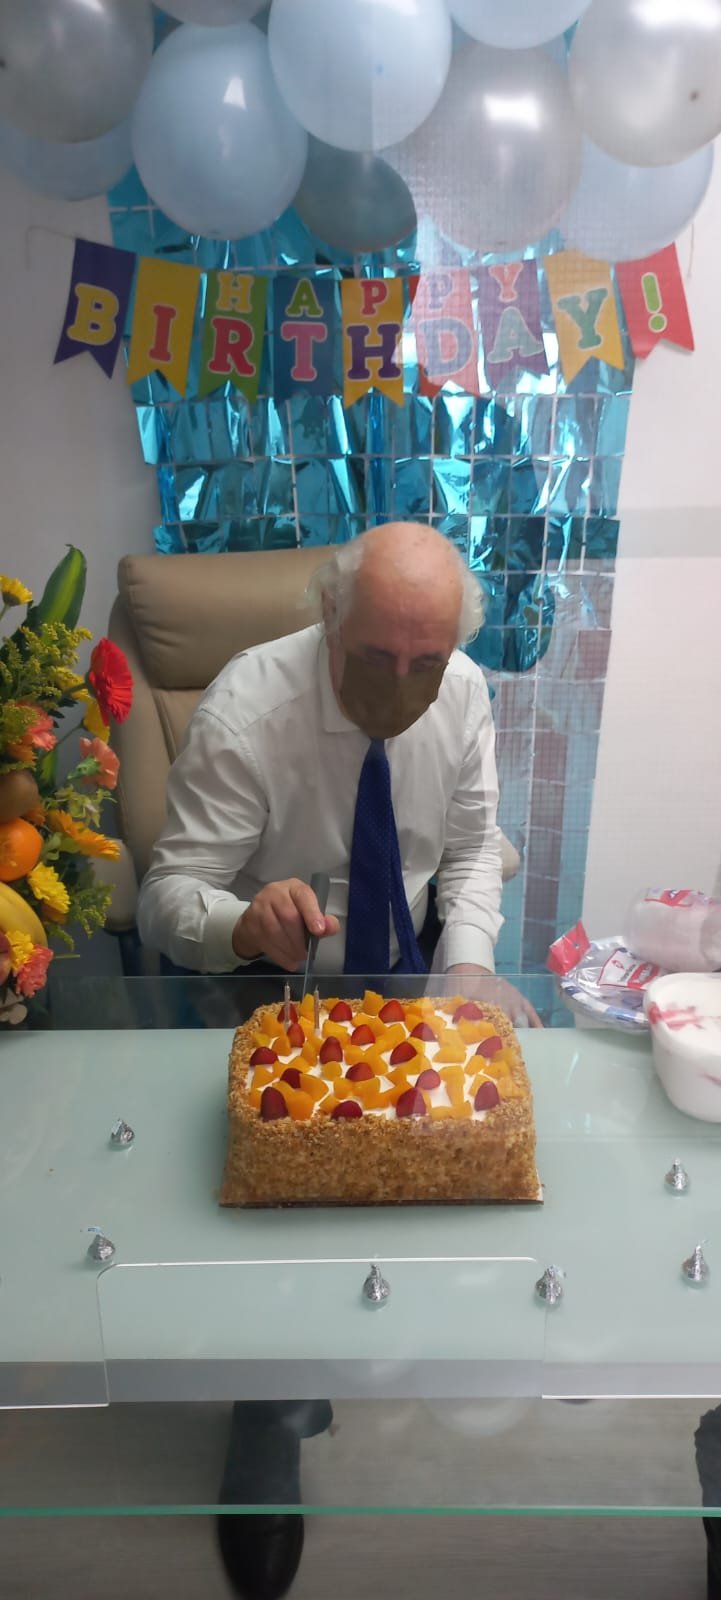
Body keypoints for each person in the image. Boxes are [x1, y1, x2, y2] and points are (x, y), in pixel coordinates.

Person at [137, 521, 541, 1600]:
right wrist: (239, 921)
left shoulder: (463, 691)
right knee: (276, 1197)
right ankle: (267, 1415)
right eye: (375, 657)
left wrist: (467, 965)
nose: (401, 688)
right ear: (327, 618)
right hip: (264, 974)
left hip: (399, 960)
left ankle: (370, 1329)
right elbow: (167, 897)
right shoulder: (245, 709)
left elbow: (471, 849)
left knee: (432, 1162)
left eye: (426, 662)